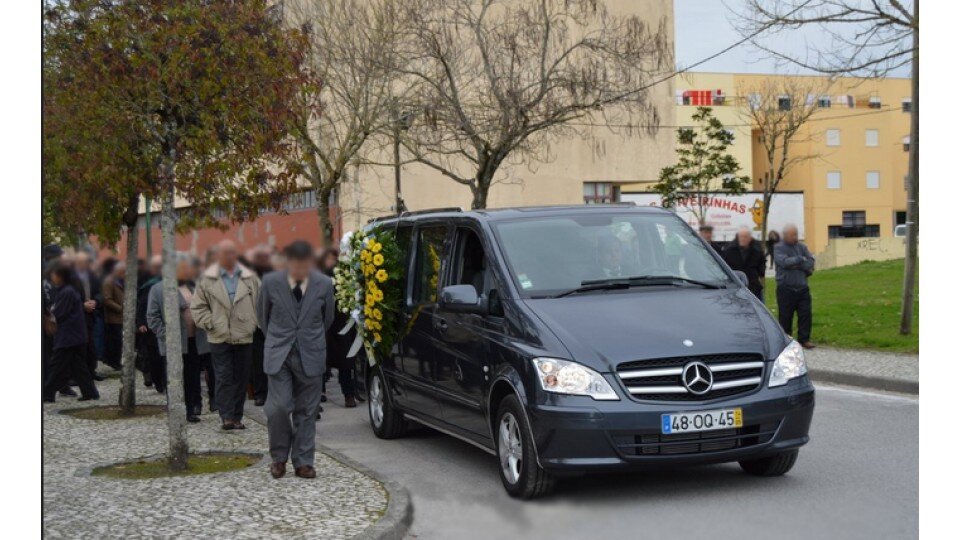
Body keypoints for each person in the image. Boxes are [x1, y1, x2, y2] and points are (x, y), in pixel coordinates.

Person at [258, 240, 335, 479]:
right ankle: (278, 458)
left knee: (307, 410)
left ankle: (303, 461)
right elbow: (263, 318)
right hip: (279, 353)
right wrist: (280, 338)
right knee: (279, 408)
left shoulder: (324, 284)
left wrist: (308, 338)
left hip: (311, 352)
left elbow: (327, 319)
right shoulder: (271, 283)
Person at [191, 239, 260, 430]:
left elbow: (260, 302)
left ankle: (237, 415)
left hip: (243, 333)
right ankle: (227, 416)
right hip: (219, 334)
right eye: (224, 253)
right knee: (223, 375)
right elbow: (197, 306)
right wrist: (210, 323)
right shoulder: (207, 279)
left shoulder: (249, 277)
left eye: (232, 253)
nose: (228, 256)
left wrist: (254, 323)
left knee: (242, 376)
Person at [147, 253, 209, 423]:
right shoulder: (159, 289)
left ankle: (191, 409)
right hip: (174, 343)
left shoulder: (194, 287)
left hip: (194, 340)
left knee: (192, 376)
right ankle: (175, 410)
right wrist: (166, 336)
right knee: (174, 379)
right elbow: (152, 317)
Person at [43, 264, 100, 402]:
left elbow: (58, 313)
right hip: (75, 336)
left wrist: (48, 313)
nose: (52, 278)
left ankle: (47, 394)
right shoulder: (68, 290)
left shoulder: (66, 292)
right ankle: (90, 392)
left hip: (68, 337)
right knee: (79, 367)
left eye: (54, 275)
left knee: (57, 366)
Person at [318, 248, 363, 408]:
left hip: (339, 322)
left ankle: (347, 393)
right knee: (326, 360)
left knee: (342, 361)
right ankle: (327, 392)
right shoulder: (323, 275)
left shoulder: (340, 275)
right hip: (329, 322)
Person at [774, 225, 816, 349]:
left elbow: (811, 262)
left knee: (805, 314)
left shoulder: (802, 247)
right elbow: (784, 263)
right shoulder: (778, 248)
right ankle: (786, 340)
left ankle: (804, 339)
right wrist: (800, 259)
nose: (795, 237)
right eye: (792, 235)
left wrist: (797, 263)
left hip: (802, 288)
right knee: (785, 316)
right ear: (785, 235)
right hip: (786, 288)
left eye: (796, 234)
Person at [248, 245, 273, 406]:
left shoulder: (274, 274)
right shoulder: (248, 276)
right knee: (257, 361)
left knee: (273, 360)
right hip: (255, 324)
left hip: (273, 324)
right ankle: (259, 393)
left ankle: (273, 391)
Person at [74, 252, 105, 379]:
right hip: (76, 316)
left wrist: (96, 301)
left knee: (91, 345)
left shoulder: (91, 276)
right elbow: (67, 297)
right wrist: (82, 305)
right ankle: (77, 374)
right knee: (78, 346)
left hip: (90, 315)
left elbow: (99, 293)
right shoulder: (70, 277)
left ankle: (91, 370)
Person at [137, 255, 163, 390]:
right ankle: (157, 380)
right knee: (153, 354)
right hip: (148, 324)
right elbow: (140, 303)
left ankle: (163, 380)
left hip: (163, 321)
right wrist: (140, 322)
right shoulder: (145, 282)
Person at [722, 227, 766, 300]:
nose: (743, 239)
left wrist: (761, 274)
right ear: (738, 237)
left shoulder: (756, 249)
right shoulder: (729, 250)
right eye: (741, 236)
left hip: (754, 286)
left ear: (750, 238)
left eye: (745, 237)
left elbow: (762, 263)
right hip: (736, 287)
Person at [101, 261, 126, 370]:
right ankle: (113, 362)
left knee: (119, 342)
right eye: (123, 272)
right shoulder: (109, 282)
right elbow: (107, 300)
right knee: (115, 342)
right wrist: (120, 308)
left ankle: (116, 361)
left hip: (121, 317)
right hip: (113, 318)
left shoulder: (121, 281)